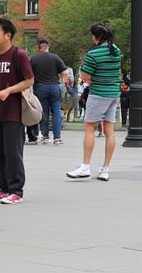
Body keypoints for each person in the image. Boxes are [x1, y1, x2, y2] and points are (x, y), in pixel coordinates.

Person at [0, 17, 33, 204]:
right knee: (0, 153)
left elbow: (29, 80)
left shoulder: (18, 55)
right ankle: (3, 187)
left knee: (13, 152)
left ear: (8, 34)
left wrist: (9, 90)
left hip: (14, 112)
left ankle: (16, 190)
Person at [67, 22, 122, 182]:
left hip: (98, 93)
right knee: (109, 130)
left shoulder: (93, 54)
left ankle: (85, 165)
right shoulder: (116, 51)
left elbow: (85, 76)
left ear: (96, 37)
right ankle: (105, 168)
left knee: (90, 127)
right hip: (113, 93)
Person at [30, 38, 69, 145]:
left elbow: (29, 75)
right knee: (56, 111)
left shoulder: (34, 59)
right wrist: (62, 82)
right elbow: (65, 72)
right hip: (54, 87)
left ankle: (45, 136)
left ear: (39, 47)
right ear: (48, 47)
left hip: (40, 87)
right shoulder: (55, 57)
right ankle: (57, 137)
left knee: (44, 112)